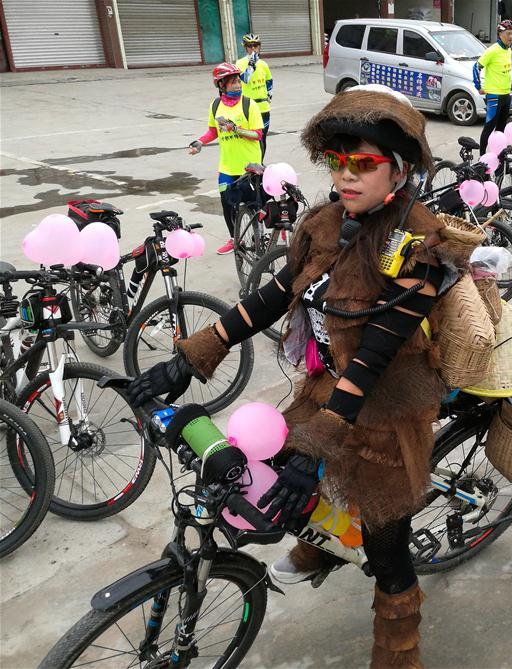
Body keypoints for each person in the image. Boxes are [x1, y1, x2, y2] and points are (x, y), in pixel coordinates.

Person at [128, 84, 477, 669]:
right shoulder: (324, 224)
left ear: (398, 169)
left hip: (389, 403)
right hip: (328, 386)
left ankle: (400, 654)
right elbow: (270, 298)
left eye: (362, 163)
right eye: (338, 161)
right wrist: (190, 359)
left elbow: (375, 356)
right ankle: (324, 546)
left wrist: (316, 446)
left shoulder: (422, 241)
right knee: (279, 477)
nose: (346, 175)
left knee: (386, 549)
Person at [188, 63, 263, 255]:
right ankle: (235, 239)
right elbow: (213, 131)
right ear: (221, 85)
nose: (238, 85)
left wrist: (235, 128)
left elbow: (258, 134)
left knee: (253, 206)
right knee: (227, 204)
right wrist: (200, 142)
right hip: (227, 166)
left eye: (238, 81)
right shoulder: (215, 106)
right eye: (232, 82)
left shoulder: (249, 104)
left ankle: (258, 237)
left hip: (250, 166)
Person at [475, 20, 512, 153]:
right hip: (494, 96)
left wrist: (510, 81)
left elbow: (504, 69)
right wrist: (478, 86)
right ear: (500, 34)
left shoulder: (508, 50)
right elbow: (476, 67)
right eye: (508, 33)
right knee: (489, 127)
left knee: (501, 130)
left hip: (506, 95)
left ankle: (498, 157)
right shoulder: (492, 50)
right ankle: (481, 157)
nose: (511, 36)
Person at [236, 33, 273, 160]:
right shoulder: (240, 63)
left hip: (263, 107)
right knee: (249, 137)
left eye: (256, 46)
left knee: (262, 137)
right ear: (245, 47)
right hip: (248, 107)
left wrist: (269, 94)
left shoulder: (263, 64)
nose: (253, 49)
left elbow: (269, 80)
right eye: (250, 46)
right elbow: (244, 79)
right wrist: (251, 65)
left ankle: (259, 164)